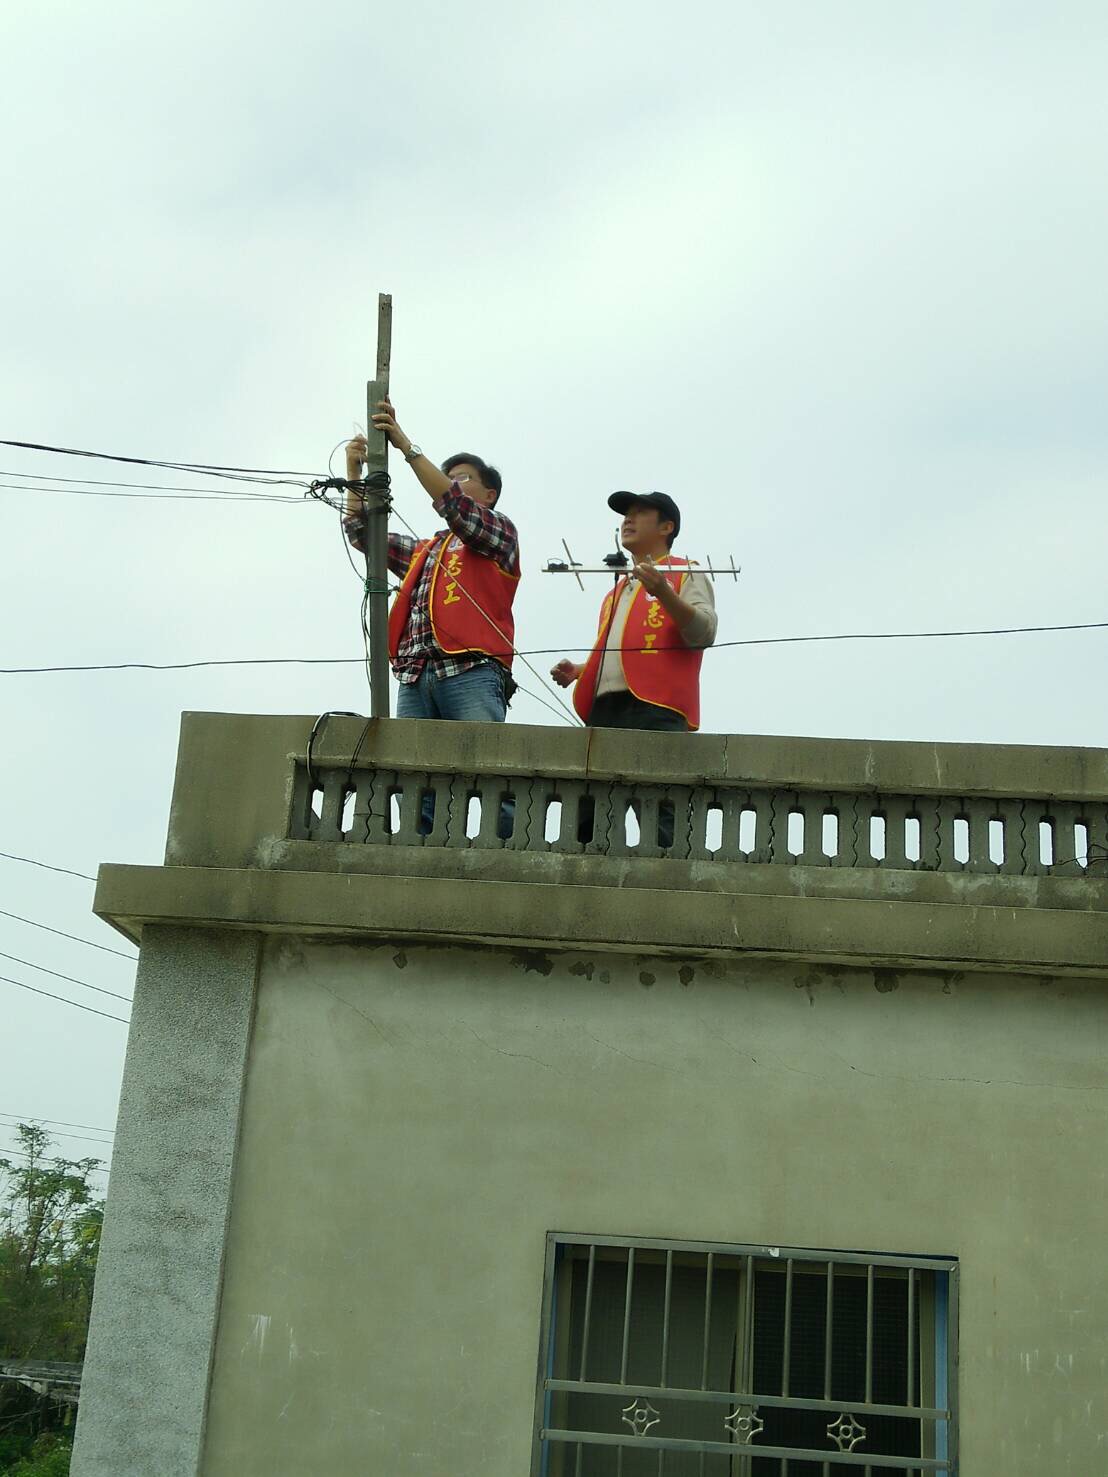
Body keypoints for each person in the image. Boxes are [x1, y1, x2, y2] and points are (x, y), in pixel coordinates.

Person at [343, 400, 520, 722]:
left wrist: (406, 446)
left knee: (478, 764)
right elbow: (362, 534)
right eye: (447, 477)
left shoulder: (501, 531)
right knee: (410, 768)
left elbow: (455, 506)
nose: (452, 483)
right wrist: (354, 474)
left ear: (490, 494)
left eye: (463, 477)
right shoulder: (426, 549)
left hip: (471, 670)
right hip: (415, 675)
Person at [551, 491, 717, 732]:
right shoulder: (616, 592)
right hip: (603, 707)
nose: (628, 520)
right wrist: (582, 671)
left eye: (640, 513)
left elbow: (705, 632)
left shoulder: (685, 572)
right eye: (627, 515)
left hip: (656, 707)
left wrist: (664, 592)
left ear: (666, 527)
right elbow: (624, 651)